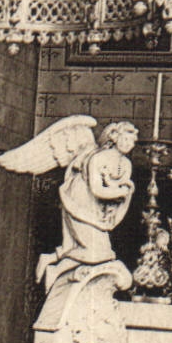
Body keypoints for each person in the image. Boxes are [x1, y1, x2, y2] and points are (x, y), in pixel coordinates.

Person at [40, 121, 137, 288]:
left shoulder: (126, 164)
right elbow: (97, 189)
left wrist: (123, 192)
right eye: (126, 139)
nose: (130, 144)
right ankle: (55, 267)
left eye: (133, 141)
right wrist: (121, 192)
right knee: (97, 251)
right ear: (115, 137)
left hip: (98, 208)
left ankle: (53, 263)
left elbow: (119, 187)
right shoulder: (98, 158)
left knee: (102, 251)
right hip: (79, 200)